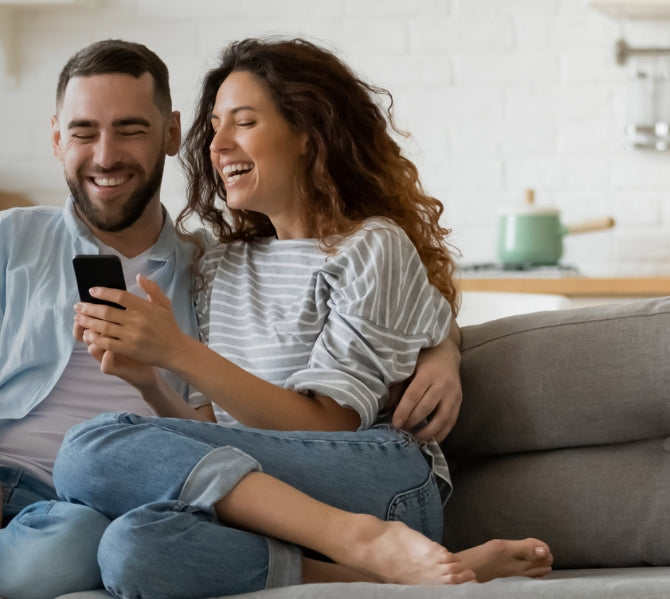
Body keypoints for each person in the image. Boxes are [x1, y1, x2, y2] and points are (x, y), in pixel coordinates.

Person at [0, 39, 465, 599]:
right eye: (83, 131)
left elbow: (373, 307)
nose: (104, 155)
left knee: (80, 535)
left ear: (171, 133)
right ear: (57, 138)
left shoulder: (204, 265)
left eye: (130, 130)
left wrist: (443, 352)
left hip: (75, 509)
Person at [58, 37, 553, 599]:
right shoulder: (218, 265)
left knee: (87, 448)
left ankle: (366, 539)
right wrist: (150, 381)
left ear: (308, 134)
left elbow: (328, 426)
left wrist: (178, 352)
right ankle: (382, 569)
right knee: (131, 549)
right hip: (272, 495)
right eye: (215, 125)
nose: (217, 144)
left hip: (377, 480)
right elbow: (220, 442)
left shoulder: (370, 248)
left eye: (243, 122)